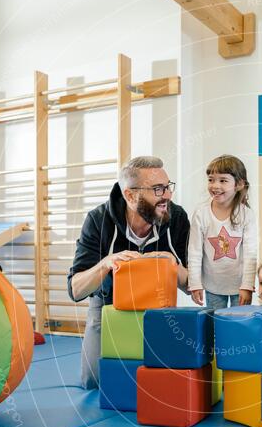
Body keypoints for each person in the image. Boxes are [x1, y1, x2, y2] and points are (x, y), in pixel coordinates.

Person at [67, 156, 190, 389]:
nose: (167, 195)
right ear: (130, 195)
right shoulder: (98, 220)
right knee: (94, 381)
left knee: (161, 382)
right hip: (108, 307)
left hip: (159, 310)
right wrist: (106, 263)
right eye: (157, 189)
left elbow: (192, 286)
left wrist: (172, 264)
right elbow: (76, 289)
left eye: (167, 187)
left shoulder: (177, 218)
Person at [187, 155, 257, 309]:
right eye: (211, 179)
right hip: (213, 286)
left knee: (239, 324)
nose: (215, 185)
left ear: (238, 184)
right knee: (216, 325)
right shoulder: (201, 214)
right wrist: (195, 283)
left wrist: (247, 285)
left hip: (239, 285)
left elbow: (250, 253)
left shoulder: (246, 214)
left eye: (223, 180)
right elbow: (194, 252)